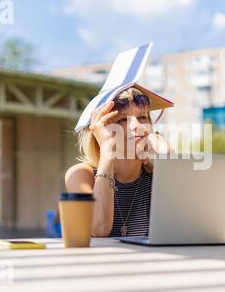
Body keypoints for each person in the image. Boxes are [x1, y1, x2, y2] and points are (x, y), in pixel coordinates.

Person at [65, 88, 170, 237]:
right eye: (122, 120)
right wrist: (107, 150)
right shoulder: (80, 175)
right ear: (99, 132)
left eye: (142, 118)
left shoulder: (156, 175)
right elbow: (99, 229)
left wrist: (166, 155)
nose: (137, 126)